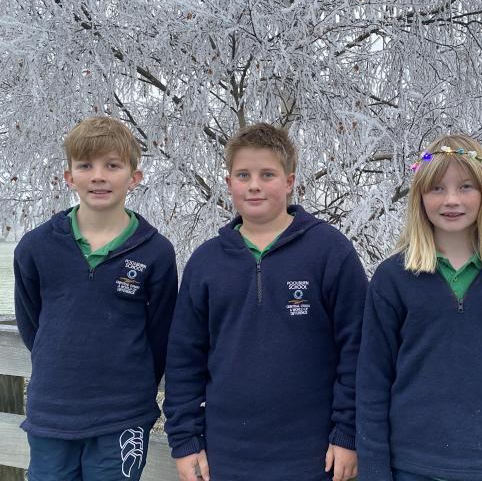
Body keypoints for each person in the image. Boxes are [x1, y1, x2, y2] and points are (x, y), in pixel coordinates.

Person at [164, 123, 367, 481]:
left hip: (314, 455)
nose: (254, 184)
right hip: (226, 455)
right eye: (243, 175)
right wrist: (185, 440)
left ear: (289, 182)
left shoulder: (330, 252)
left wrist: (347, 433)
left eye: (267, 174)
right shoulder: (207, 262)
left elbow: (358, 350)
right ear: (229, 184)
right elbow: (184, 359)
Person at [356, 134, 482, 481]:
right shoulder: (393, 278)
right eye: (437, 188)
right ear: (420, 198)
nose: (451, 200)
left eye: (465, 186)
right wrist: (375, 472)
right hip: (412, 466)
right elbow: (372, 384)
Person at [13, 116, 178, 481]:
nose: (98, 176)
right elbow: (32, 325)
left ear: (134, 177)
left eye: (112, 165)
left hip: (123, 416)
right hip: (52, 412)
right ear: (69, 176)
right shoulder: (36, 247)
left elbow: (161, 334)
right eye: (85, 165)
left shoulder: (156, 252)